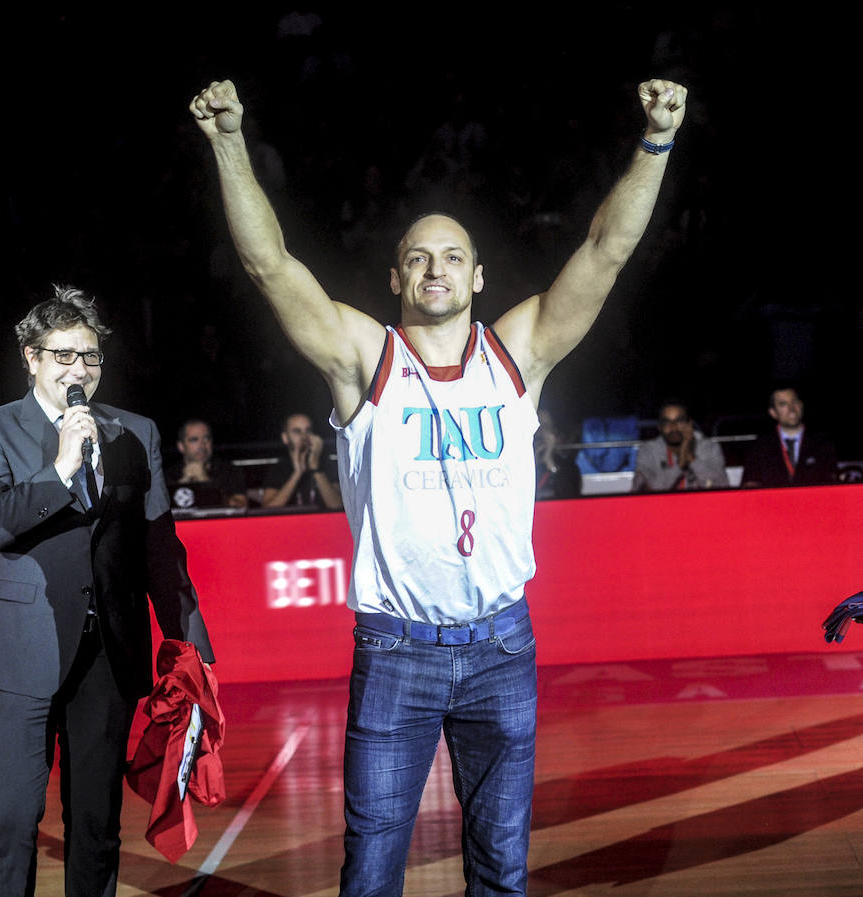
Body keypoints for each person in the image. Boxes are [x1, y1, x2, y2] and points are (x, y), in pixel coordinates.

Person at [190, 76, 687, 895]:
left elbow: (606, 250)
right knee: (372, 871)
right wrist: (230, 143)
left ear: (478, 276)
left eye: (453, 255)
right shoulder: (367, 359)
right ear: (395, 278)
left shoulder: (517, 352)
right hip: (397, 651)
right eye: (417, 256)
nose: (435, 268)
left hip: (502, 646)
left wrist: (657, 141)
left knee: (501, 869)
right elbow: (269, 265)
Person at [0, 285, 215, 897]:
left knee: (97, 825)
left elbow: (159, 548)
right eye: (64, 355)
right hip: (20, 651)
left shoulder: (135, 432)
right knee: (12, 819)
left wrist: (193, 650)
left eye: (90, 356)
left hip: (108, 654)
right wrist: (60, 469)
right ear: (31, 358)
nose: (80, 369)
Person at [741, 386, 839, 488]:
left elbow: (832, 481)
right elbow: (750, 484)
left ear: (801, 405)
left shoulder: (822, 443)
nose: (792, 409)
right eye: (783, 404)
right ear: (773, 413)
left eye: (794, 402)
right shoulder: (760, 447)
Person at [631, 399, 728, 492]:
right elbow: (648, 492)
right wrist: (679, 466)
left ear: (689, 424)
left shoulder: (709, 448)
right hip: (663, 503)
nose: (673, 427)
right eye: (667, 422)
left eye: (679, 421)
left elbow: (722, 487)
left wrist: (692, 459)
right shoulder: (648, 451)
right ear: (660, 427)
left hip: (701, 503)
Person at [262, 412, 343, 509]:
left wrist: (316, 469)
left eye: (308, 430)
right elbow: (269, 508)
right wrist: (297, 473)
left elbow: (338, 506)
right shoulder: (279, 468)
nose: (304, 436)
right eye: (297, 431)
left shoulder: (326, 464)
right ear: (285, 438)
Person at [165, 418, 249, 509]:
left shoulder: (230, 471)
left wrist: (205, 481)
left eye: (206, 438)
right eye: (194, 440)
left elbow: (241, 505)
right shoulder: (167, 475)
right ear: (181, 446)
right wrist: (181, 485)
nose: (202, 445)